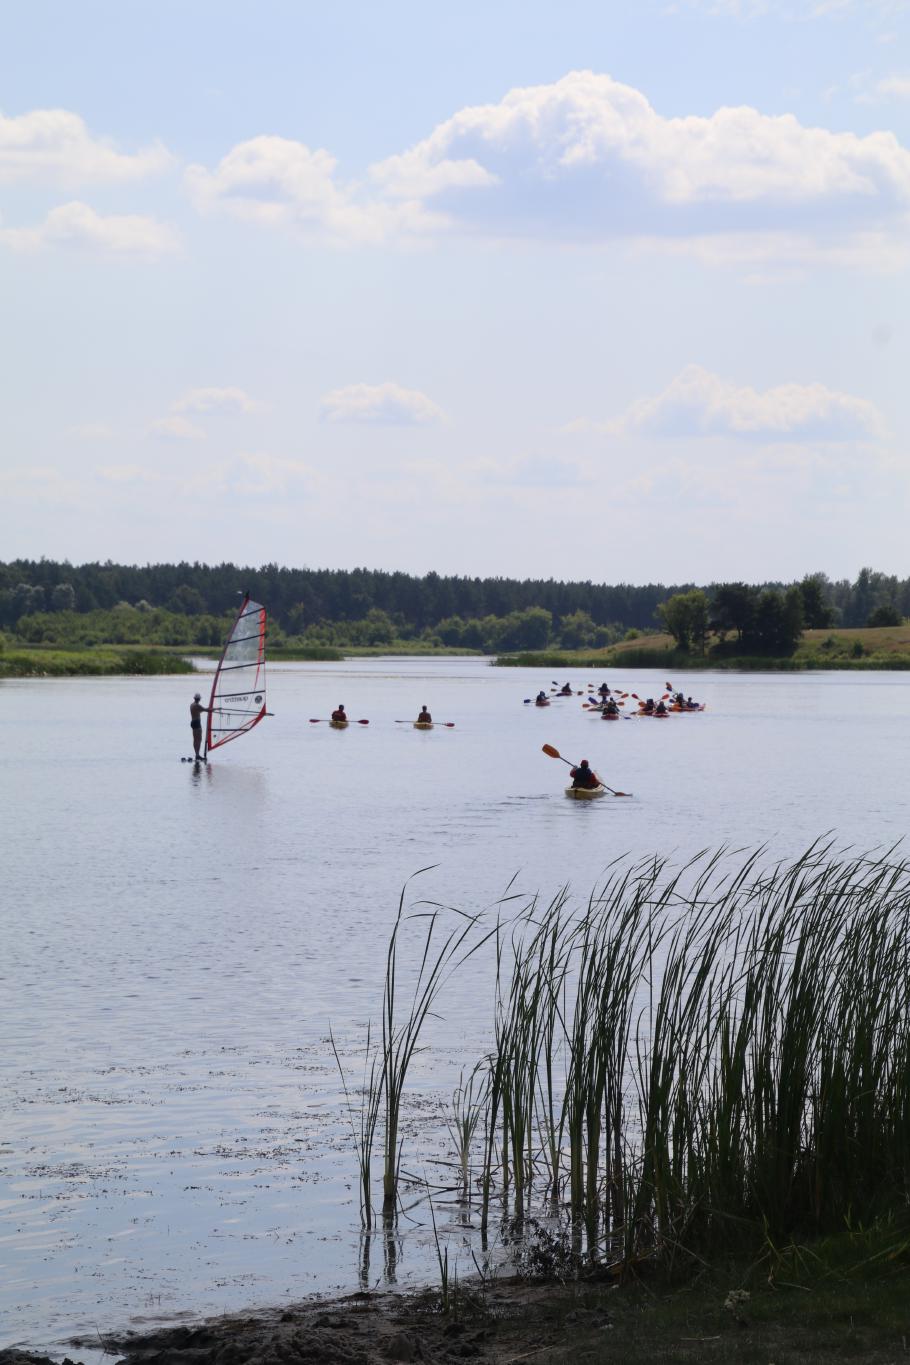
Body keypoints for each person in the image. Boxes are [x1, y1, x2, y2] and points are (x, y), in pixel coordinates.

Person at [189, 692, 210, 760]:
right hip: (197, 723)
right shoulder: (197, 705)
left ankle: (197, 754)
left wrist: (206, 709)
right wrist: (217, 709)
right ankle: (197, 755)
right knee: (199, 739)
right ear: (199, 699)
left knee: (195, 739)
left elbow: (199, 711)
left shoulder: (192, 705)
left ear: (194, 698)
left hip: (193, 722)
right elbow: (207, 710)